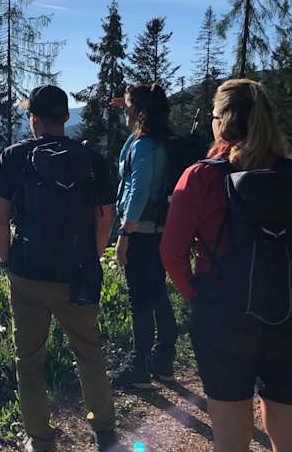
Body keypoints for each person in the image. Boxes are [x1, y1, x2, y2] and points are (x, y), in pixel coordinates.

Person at [161, 79, 292, 452]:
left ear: (221, 121)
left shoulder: (200, 177)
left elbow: (172, 253)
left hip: (223, 320)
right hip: (291, 318)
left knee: (231, 438)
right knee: (290, 432)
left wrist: (198, 296)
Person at [0, 85, 123, 452]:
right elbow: (105, 218)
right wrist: (90, 259)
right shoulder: (92, 160)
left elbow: (0, 221)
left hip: (28, 274)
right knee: (88, 351)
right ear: (66, 117)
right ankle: (105, 430)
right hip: (77, 273)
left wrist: (6, 261)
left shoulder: (13, 157)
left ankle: (41, 439)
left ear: (32, 118)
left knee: (30, 359)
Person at [110, 84, 178, 388]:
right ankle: (163, 360)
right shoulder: (158, 142)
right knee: (157, 294)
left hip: (141, 233)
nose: (124, 111)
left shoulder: (144, 147)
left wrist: (125, 232)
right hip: (159, 231)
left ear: (139, 110)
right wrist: (127, 105)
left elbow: (137, 191)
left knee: (140, 299)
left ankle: (140, 366)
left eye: (128, 107)